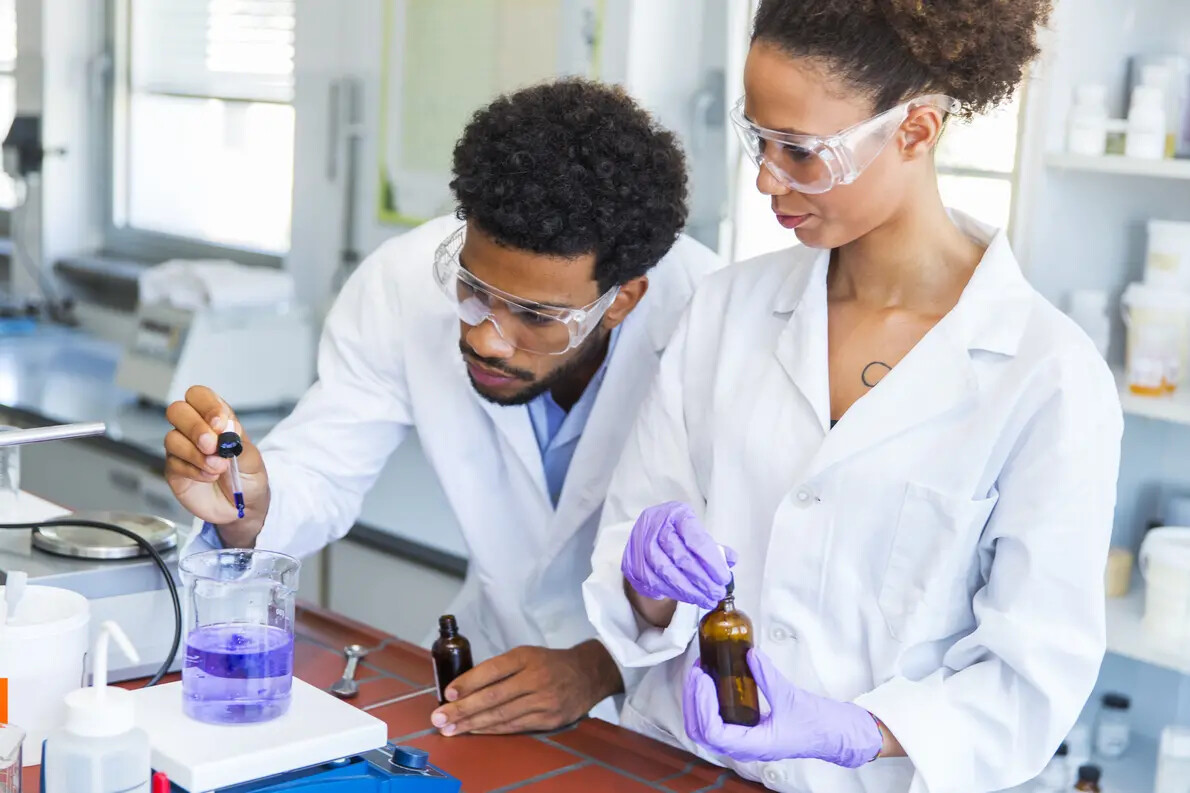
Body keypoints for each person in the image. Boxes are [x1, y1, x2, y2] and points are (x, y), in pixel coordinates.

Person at [584, 2, 1122, 791]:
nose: (767, 177)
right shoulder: (726, 310)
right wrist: (647, 580)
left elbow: (1028, 679)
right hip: (680, 764)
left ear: (915, 131)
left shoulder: (1048, 376)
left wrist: (849, 730)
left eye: (802, 152)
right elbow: (635, 583)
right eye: (758, 138)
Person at [163, 79, 721, 736]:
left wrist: (602, 665)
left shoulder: (712, 323)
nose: (485, 335)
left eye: (537, 316)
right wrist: (250, 502)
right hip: (491, 671)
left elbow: (741, 571)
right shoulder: (401, 284)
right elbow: (323, 463)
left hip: (663, 709)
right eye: (473, 288)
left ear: (621, 299)